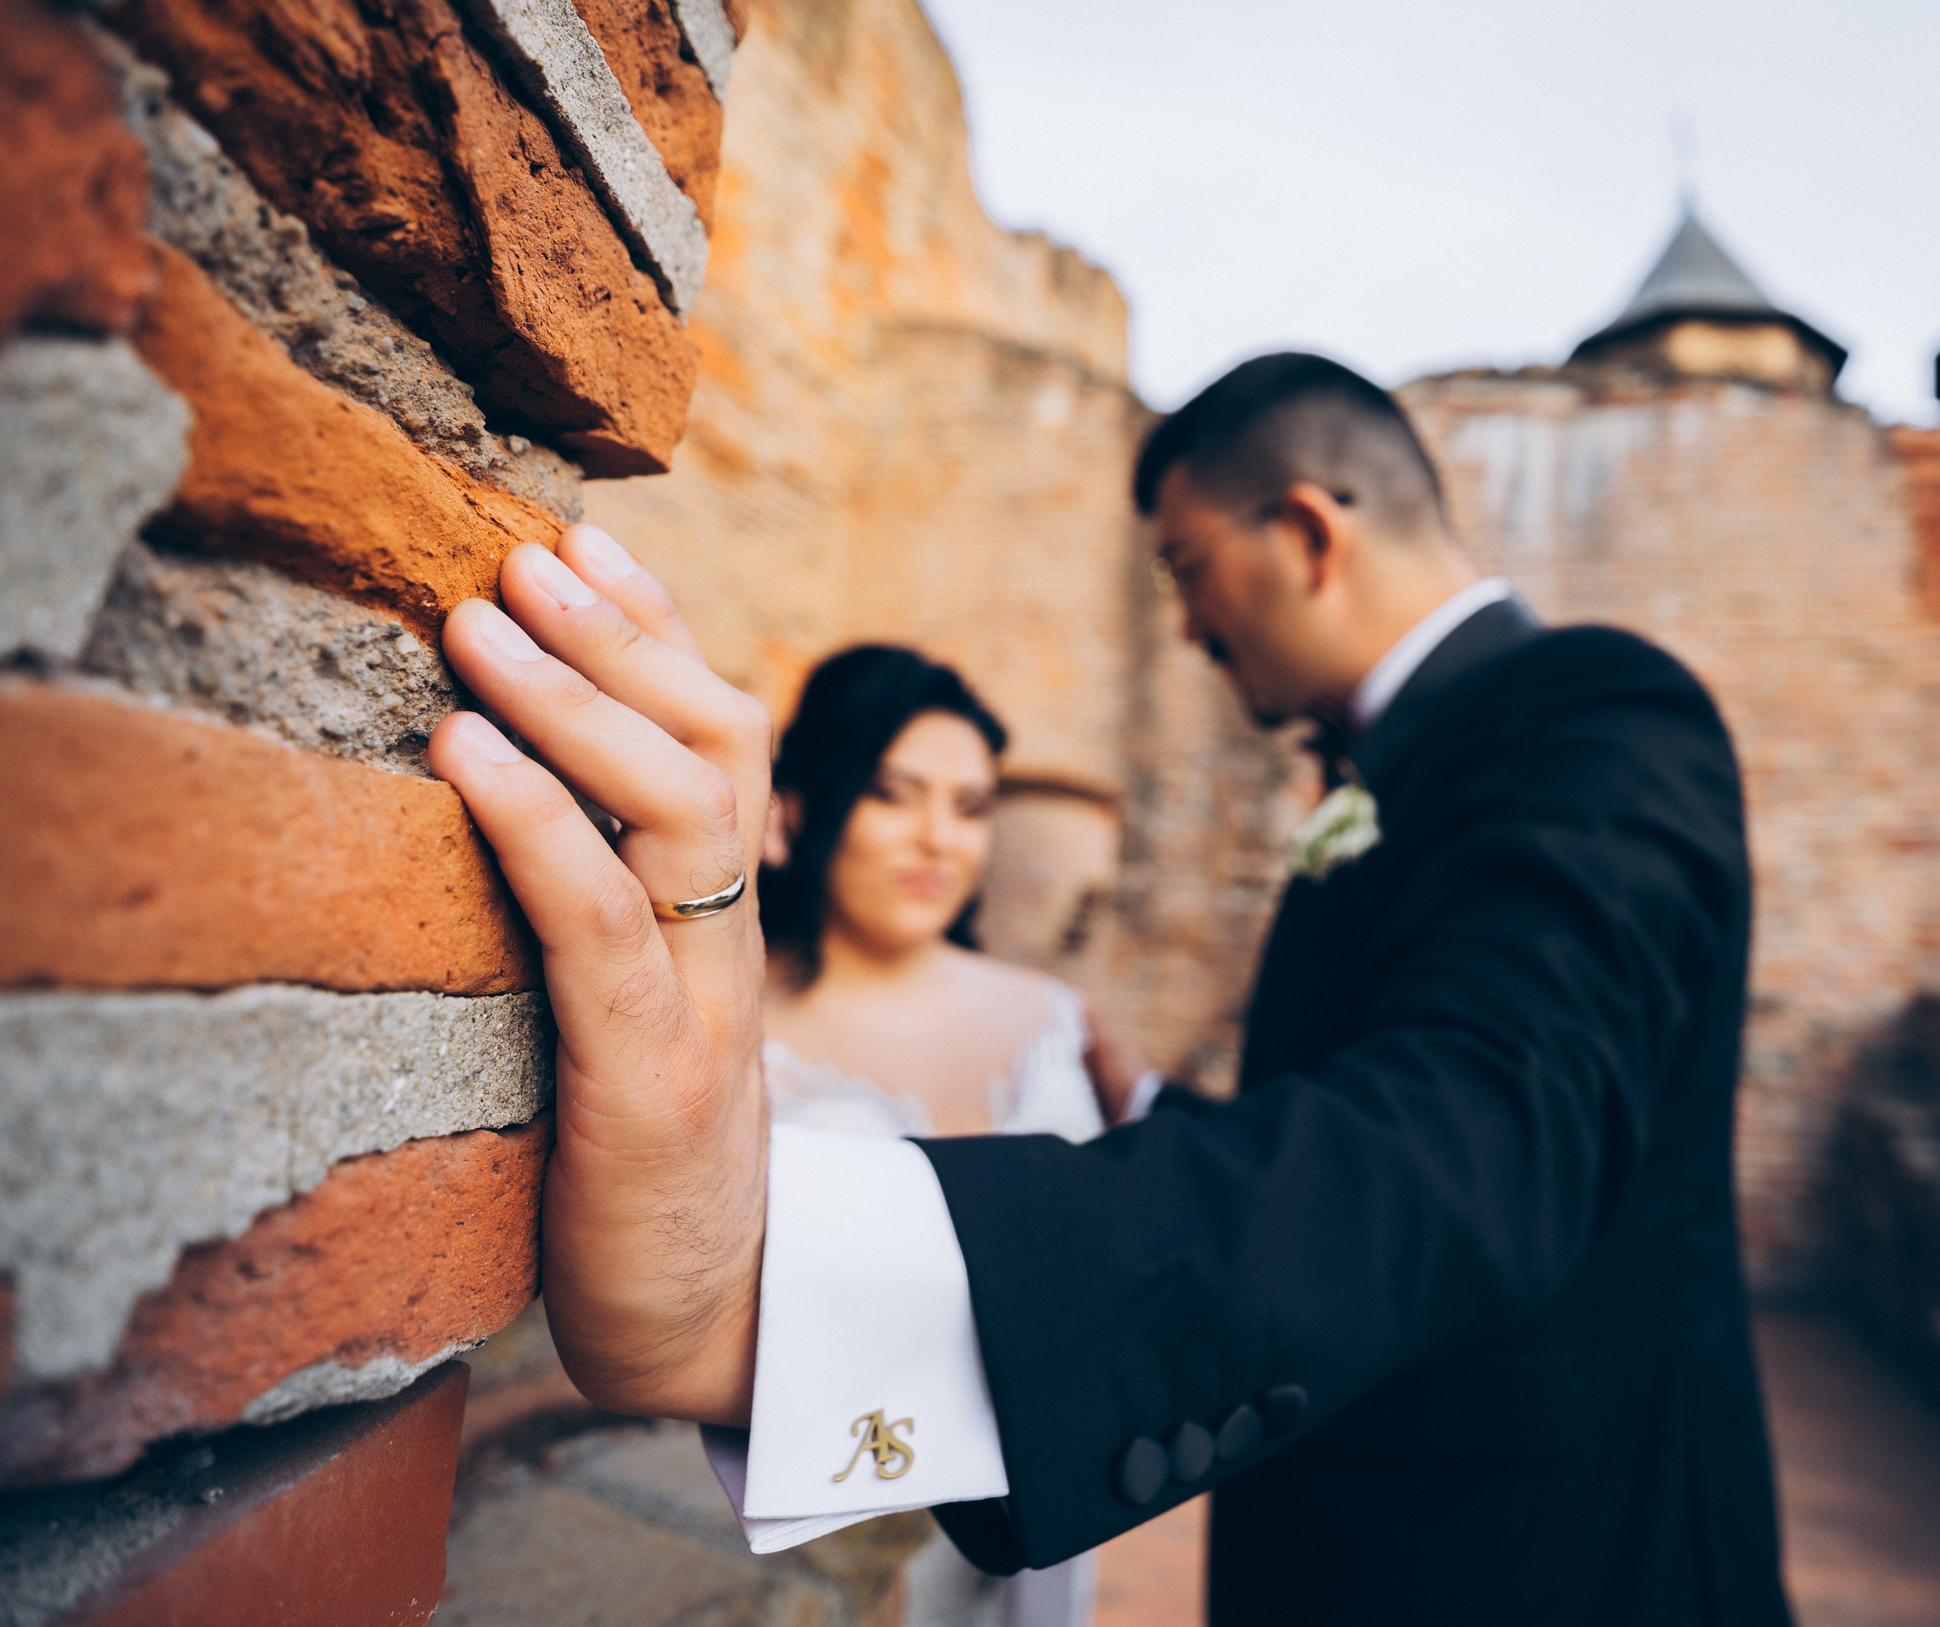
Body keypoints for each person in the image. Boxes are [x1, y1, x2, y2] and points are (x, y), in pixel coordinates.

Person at [428, 352, 1794, 1625]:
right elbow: (1385, 1093)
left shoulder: (1594, 708)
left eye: (1188, 566)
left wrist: (770, 1285)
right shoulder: (1396, 763)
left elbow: (1478, 1133)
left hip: (1546, 1557)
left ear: (1311, 533)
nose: (1187, 622)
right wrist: (1169, 1108)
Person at [728, 644, 1131, 1625]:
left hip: (1054, 1505)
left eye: (970, 806)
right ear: (799, 809)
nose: (937, 841)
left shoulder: (1058, 1020)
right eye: (893, 795)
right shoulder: (735, 1040)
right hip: (821, 1517)